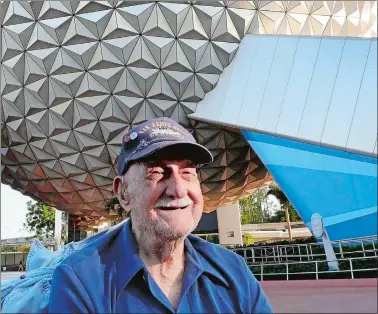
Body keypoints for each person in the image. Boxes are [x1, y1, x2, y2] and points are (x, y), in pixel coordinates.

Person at [48, 117, 274, 313]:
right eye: (156, 172)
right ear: (123, 193)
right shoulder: (81, 280)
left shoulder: (233, 271)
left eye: (187, 172)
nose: (178, 189)